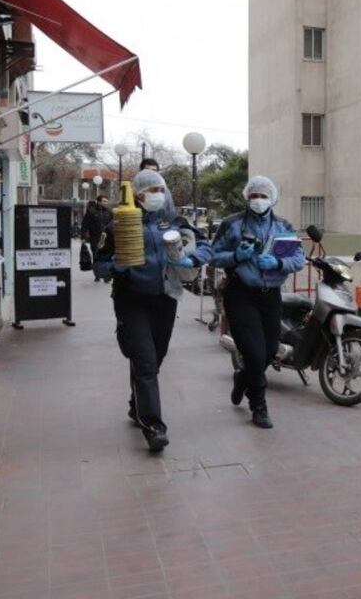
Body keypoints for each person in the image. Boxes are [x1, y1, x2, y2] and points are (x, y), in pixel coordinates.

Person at [94, 169, 212, 452]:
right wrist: (117, 266)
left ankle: (137, 403)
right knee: (145, 361)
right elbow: (98, 265)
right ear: (137, 195)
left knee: (155, 357)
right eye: (151, 191)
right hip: (131, 300)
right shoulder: (118, 224)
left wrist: (193, 259)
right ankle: (154, 426)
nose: (157, 195)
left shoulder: (175, 221)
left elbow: (206, 245)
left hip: (165, 298)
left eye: (160, 189)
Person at [211, 176, 306, 429]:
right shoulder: (232, 224)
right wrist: (235, 256)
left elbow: (299, 258)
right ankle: (259, 406)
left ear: (272, 199)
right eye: (254, 195)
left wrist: (279, 263)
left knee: (269, 351)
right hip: (240, 294)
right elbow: (213, 255)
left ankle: (242, 379)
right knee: (253, 353)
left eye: (263, 196)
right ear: (247, 197)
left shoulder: (283, 226)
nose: (258, 200)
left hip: (270, 295)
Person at [81, 195, 113, 282]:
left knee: (107, 256)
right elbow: (85, 225)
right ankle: (97, 274)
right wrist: (83, 237)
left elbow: (113, 224)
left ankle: (107, 275)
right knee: (96, 255)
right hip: (95, 237)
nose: (106, 203)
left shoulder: (110, 212)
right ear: (99, 202)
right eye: (104, 201)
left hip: (107, 238)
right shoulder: (91, 212)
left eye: (107, 201)